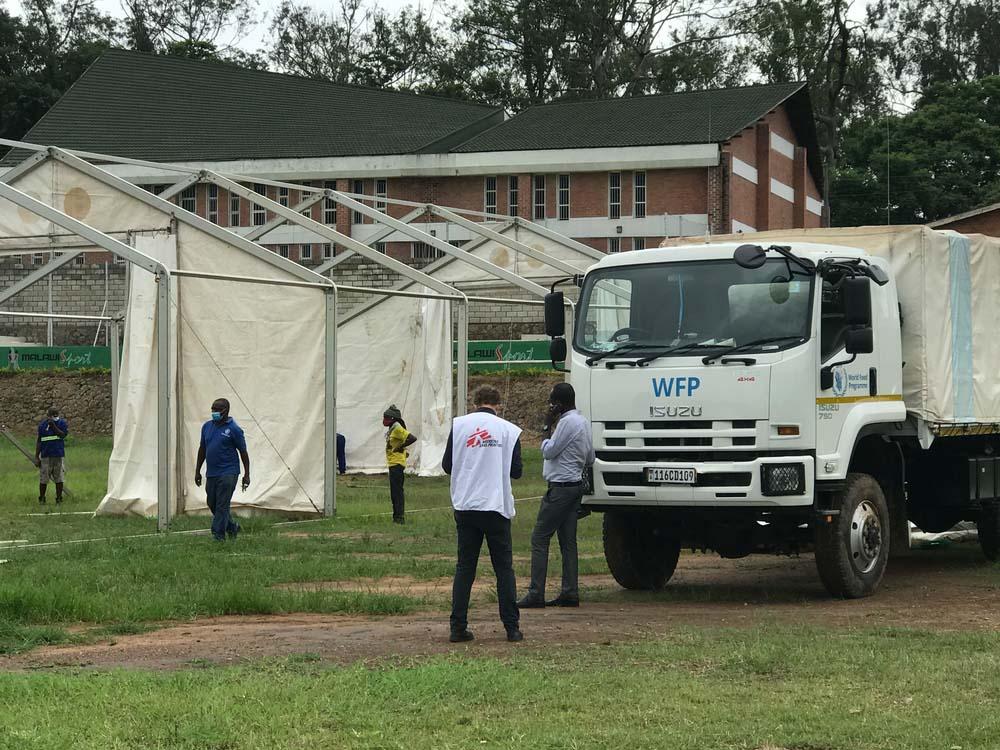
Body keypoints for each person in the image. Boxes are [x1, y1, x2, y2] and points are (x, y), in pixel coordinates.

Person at [443, 385, 524, 643]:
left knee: (465, 567)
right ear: (497, 404)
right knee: (504, 569)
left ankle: (458, 627)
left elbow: (447, 465)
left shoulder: (458, 426)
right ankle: (512, 628)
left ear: (474, 401)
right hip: (496, 506)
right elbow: (517, 471)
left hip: (466, 505)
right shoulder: (509, 431)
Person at [518, 383, 595, 609]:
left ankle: (536, 593)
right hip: (575, 487)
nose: (550, 406)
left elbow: (549, 451)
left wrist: (546, 427)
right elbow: (590, 457)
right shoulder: (583, 421)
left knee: (540, 537)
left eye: (552, 402)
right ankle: (570, 591)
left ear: (559, 404)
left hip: (560, 487)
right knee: (568, 542)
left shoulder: (566, 423)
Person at [194, 398, 251, 542]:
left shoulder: (234, 429)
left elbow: (243, 452)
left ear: (226, 411)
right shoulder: (206, 427)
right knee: (212, 503)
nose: (214, 412)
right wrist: (197, 470)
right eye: (213, 409)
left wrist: (246, 474)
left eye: (217, 410)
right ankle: (232, 527)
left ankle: (218, 536)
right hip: (212, 472)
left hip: (229, 472)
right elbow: (202, 449)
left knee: (222, 504)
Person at [383, 405, 416, 524]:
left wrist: (400, 448)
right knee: (395, 492)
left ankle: (399, 518)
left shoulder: (397, 428)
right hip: (393, 463)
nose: (384, 420)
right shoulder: (392, 428)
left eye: (386, 417)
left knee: (397, 492)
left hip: (397, 464)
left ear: (392, 418)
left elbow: (412, 438)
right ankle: (396, 516)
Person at [35, 406, 68, 505]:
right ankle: (42, 498)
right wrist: (37, 456)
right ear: (48, 416)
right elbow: (39, 441)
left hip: (58, 455)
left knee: (59, 478)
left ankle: (58, 498)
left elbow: (62, 435)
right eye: (52, 415)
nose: (55, 417)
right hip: (46, 455)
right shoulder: (42, 426)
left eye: (56, 415)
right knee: (44, 478)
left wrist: (53, 426)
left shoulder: (62, 423)